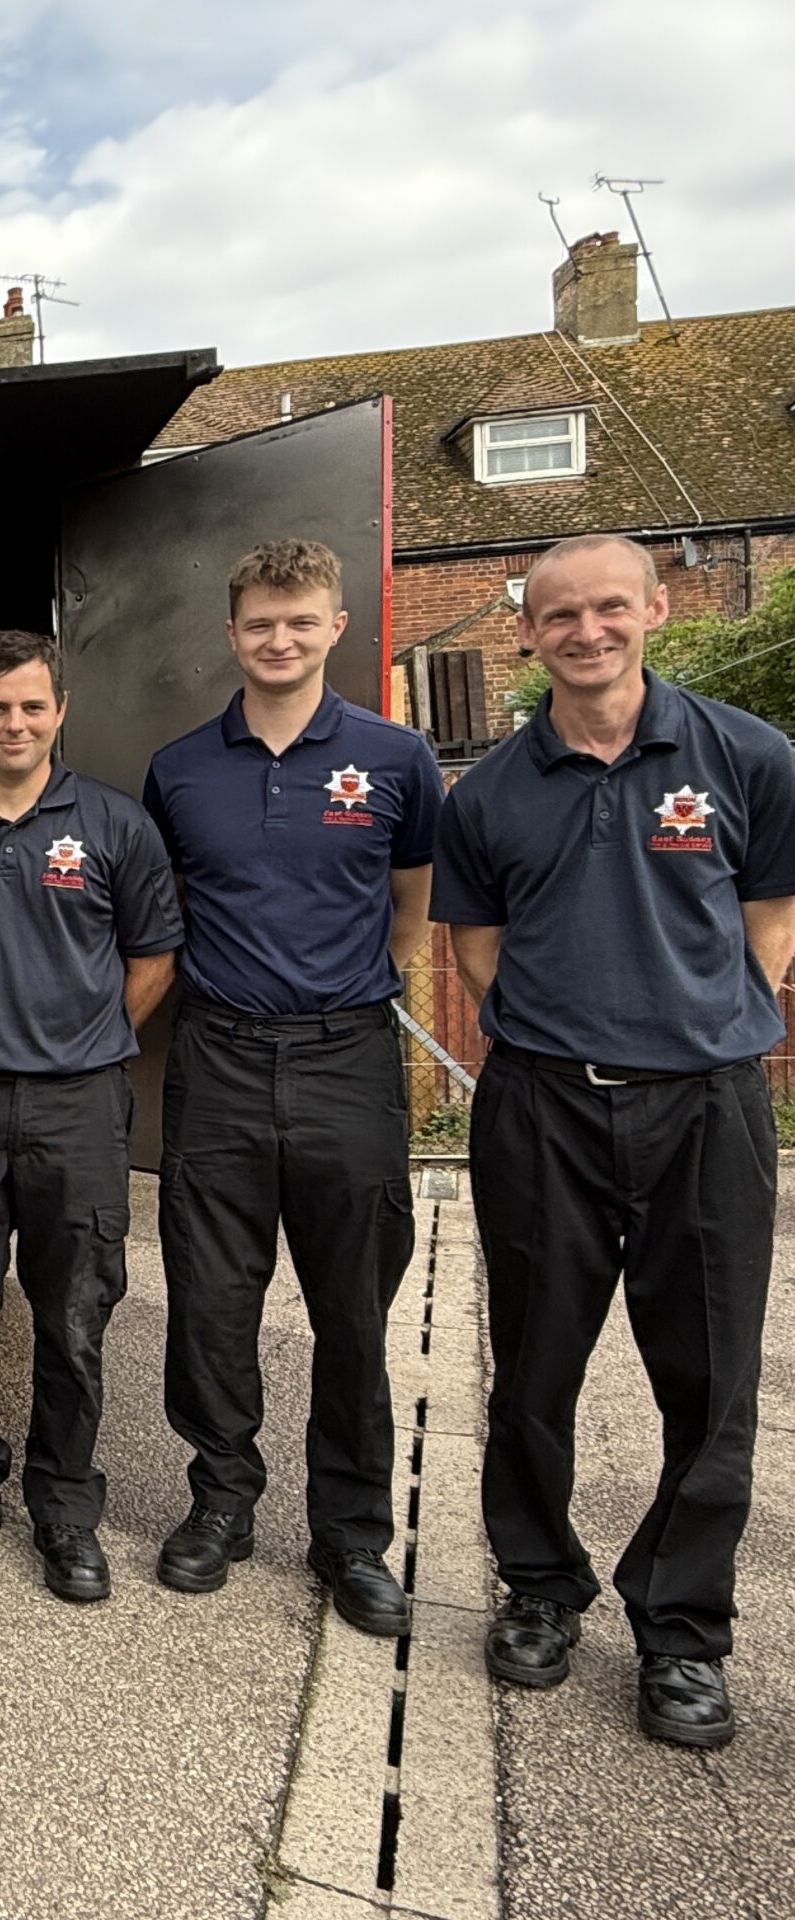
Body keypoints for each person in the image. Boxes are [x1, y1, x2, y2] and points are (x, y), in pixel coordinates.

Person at [432, 533, 795, 1750]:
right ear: (524, 632)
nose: (586, 632)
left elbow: (770, 916)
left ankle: (681, 1632)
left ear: (654, 610)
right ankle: (539, 1587)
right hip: (543, 1109)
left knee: (711, 1382)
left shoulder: (749, 757)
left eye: (608, 608)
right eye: (559, 615)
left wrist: (698, 1022)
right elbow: (475, 949)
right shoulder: (487, 793)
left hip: (704, 1106)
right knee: (533, 1368)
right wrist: (562, 1033)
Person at [140, 539, 441, 1639]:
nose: (280, 639)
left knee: (351, 1308)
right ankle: (221, 1501)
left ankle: (351, 1536)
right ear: (232, 633)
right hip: (218, 1056)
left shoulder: (395, 757)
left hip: (344, 1058)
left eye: (300, 621)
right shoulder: (179, 769)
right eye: (261, 623)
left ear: (335, 627)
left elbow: (412, 907)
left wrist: (341, 998)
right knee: (211, 1300)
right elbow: (167, 906)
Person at [0, 629, 180, 1602]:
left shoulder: (114, 824)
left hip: (78, 1104)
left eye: (31, 706)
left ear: (59, 711)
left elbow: (152, 956)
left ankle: (64, 1508)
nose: (15, 723)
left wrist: (82, 1038)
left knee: (75, 1315)